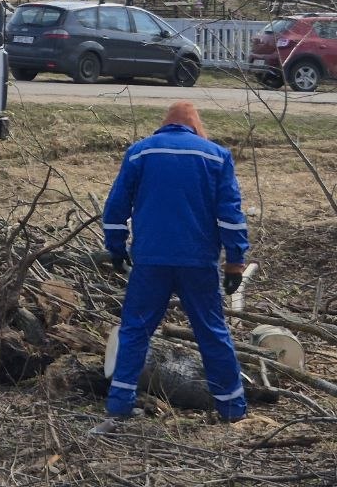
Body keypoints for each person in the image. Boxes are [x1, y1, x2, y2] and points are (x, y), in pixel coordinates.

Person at [102, 101, 249, 426]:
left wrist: (115, 248)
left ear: (165, 125)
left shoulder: (140, 153)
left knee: (135, 330)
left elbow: (115, 206)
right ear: (196, 127)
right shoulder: (216, 156)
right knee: (211, 332)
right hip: (198, 262)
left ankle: (119, 403)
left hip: (150, 261)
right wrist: (235, 262)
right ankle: (232, 407)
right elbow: (230, 215)